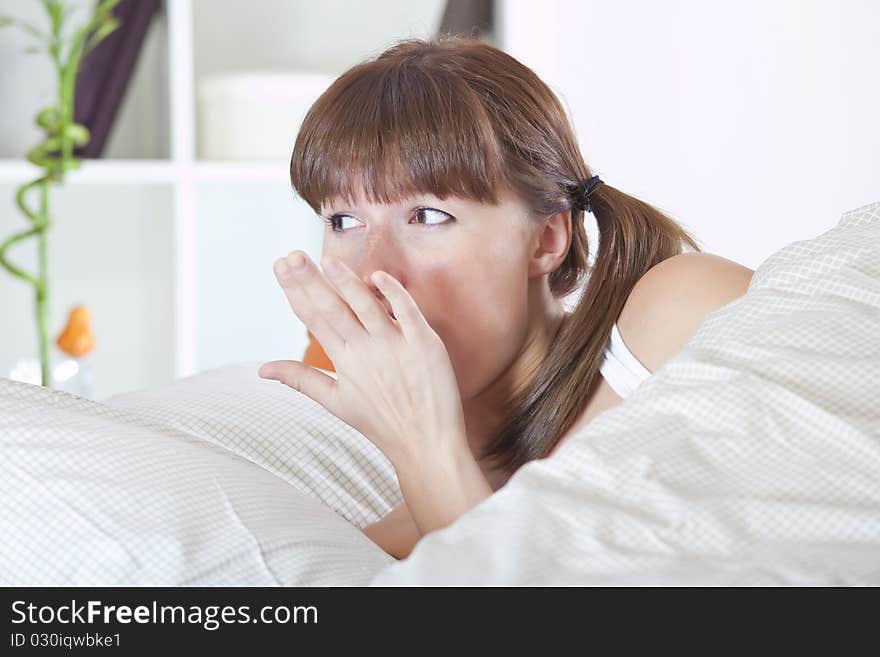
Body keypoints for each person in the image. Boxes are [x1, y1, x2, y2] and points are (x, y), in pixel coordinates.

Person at [257, 36, 754, 560]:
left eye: (427, 216)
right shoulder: (391, 548)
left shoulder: (682, 316)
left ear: (546, 240)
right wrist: (423, 453)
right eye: (344, 220)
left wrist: (422, 446)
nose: (372, 268)